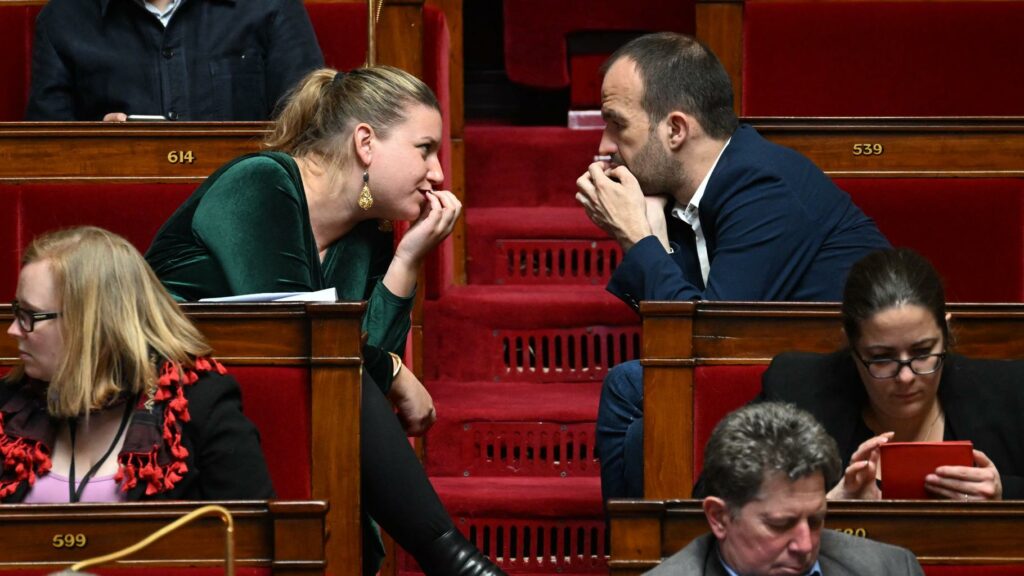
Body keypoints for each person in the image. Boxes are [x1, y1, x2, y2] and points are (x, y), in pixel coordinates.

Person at [146, 67, 505, 575]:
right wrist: (397, 372)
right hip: (161, 397)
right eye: (424, 149)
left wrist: (406, 262)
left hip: (265, 409)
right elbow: (299, 339)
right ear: (365, 142)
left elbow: (351, 382)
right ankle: (457, 563)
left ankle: (455, 563)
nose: (438, 174)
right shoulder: (261, 182)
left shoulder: (367, 237)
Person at [579, 32, 890, 500]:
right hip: (768, 367)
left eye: (617, 125)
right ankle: (641, 553)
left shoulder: (761, 186)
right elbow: (687, 330)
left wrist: (636, 237)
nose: (605, 146)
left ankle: (649, 553)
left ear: (676, 130)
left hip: (843, 389)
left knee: (634, 395)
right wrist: (657, 238)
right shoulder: (693, 194)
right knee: (630, 393)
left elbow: (708, 341)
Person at [1, 226, 273, 502]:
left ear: (92, 324)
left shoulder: (195, 404)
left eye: (30, 315)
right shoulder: (10, 406)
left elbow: (249, 536)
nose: (14, 330)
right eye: (17, 313)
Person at [755, 248, 1022, 500]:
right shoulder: (796, 390)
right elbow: (724, 495)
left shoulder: (1010, 392)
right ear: (853, 347)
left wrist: (1004, 499)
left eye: (922, 351)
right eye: (881, 357)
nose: (905, 377)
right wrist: (828, 508)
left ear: (946, 334)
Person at [649, 402, 924, 575]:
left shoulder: (892, 568)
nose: (805, 546)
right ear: (719, 518)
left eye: (816, 520)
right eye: (781, 524)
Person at [26, 0, 323, 121]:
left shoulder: (270, 6)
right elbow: (46, 156)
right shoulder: (63, 20)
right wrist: (99, 146)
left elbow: (312, 132)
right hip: (114, 216)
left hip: (248, 207)